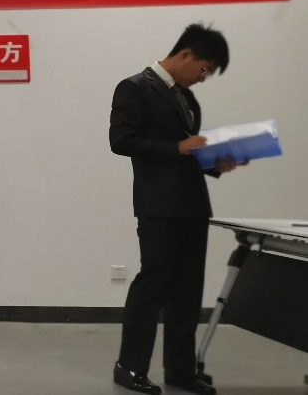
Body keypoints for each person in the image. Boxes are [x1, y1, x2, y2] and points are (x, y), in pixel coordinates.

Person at [111, 23, 241, 395]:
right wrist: (177, 148)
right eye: (204, 69)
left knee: (188, 289)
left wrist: (216, 163)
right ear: (185, 55)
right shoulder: (134, 88)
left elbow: (189, 153)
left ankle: (180, 370)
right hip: (158, 206)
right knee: (152, 286)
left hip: (193, 206)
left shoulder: (188, 99)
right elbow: (121, 140)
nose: (203, 78)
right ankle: (129, 367)